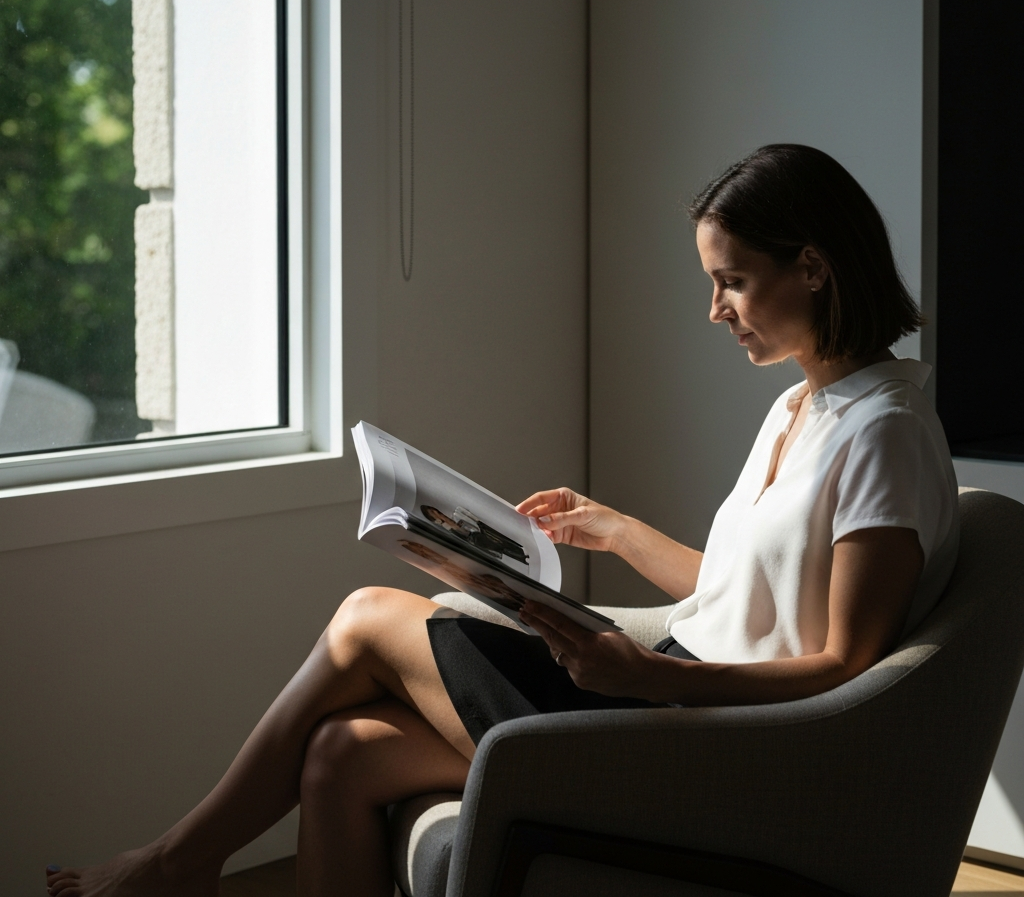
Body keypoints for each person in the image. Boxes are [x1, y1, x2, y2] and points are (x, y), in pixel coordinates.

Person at [45, 144, 957, 897]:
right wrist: (617, 531)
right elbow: (738, 599)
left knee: (366, 615)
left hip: (708, 742)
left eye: (734, 282)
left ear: (814, 266)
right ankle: (182, 863)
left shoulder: (884, 432)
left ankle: (177, 862)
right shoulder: (804, 406)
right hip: (670, 691)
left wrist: (647, 682)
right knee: (342, 755)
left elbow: (846, 667)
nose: (715, 309)